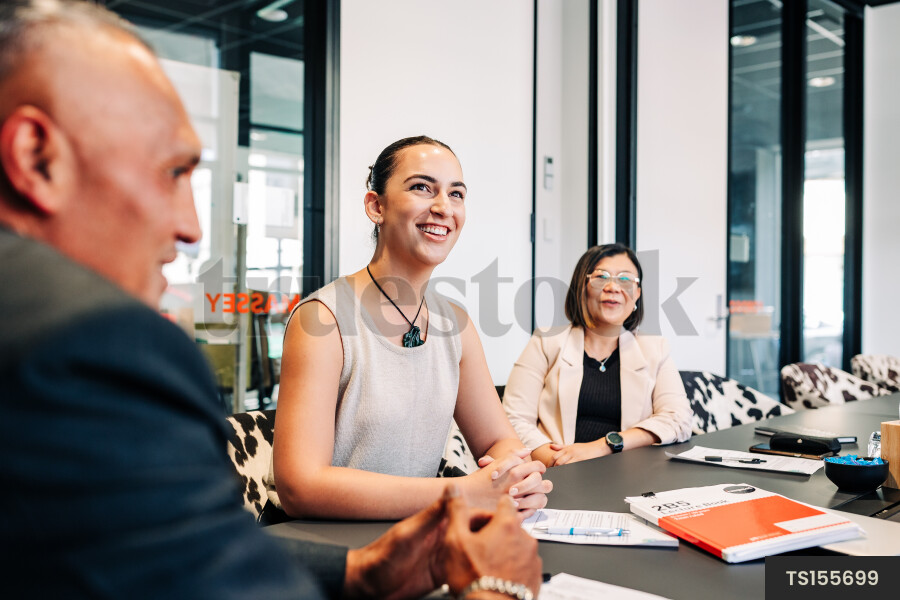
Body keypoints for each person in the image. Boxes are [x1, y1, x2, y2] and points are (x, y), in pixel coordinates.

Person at [0, 2, 541, 598]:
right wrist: (500, 583)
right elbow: (272, 516)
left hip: (385, 549)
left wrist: (510, 472)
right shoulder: (94, 345)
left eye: (456, 193)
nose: (192, 228)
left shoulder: (454, 322)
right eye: (172, 171)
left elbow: (155, 549)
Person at [269, 136, 552, 520]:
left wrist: (515, 480)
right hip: (323, 550)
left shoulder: (456, 325)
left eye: (456, 194)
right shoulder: (321, 320)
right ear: (376, 206)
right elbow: (300, 487)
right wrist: (460, 493)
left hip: (415, 539)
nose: (443, 207)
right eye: (422, 187)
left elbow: (498, 440)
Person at [504, 243, 692, 467]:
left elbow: (678, 419)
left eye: (625, 279)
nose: (613, 286)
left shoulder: (655, 348)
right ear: (582, 287)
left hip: (631, 475)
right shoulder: (545, 342)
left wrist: (604, 446)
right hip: (557, 473)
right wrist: (559, 462)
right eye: (601, 276)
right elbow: (513, 420)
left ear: (637, 294)